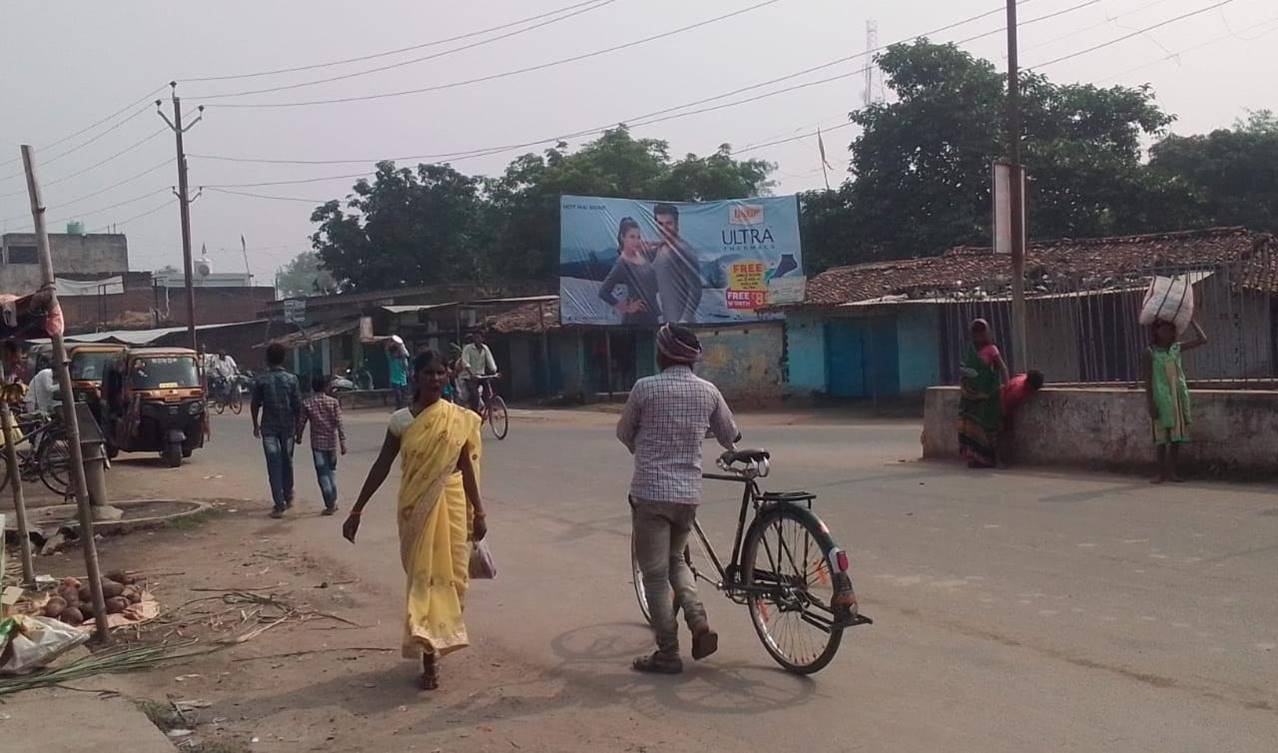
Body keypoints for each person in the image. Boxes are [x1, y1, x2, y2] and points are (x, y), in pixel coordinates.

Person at [343, 350, 488, 691]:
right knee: (422, 579)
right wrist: (357, 509)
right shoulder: (401, 421)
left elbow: (466, 467)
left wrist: (479, 512)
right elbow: (381, 465)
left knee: (452, 578)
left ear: (447, 377)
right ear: (416, 376)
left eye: (440, 373)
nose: (435, 379)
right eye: (428, 373)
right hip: (415, 508)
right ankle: (429, 658)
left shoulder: (458, 418)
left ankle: (438, 640)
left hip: (451, 502)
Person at [617, 324, 739, 675]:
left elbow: (625, 433)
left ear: (662, 354)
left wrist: (642, 447)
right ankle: (698, 622)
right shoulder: (708, 391)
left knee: (654, 575)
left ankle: (668, 653)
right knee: (677, 561)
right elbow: (730, 436)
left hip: (651, 494)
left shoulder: (645, 388)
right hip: (688, 495)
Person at [1144, 317, 1207, 483]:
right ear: (1156, 331)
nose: (1167, 333)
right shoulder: (1150, 352)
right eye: (1163, 330)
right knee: (1161, 438)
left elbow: (1202, 340)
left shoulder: (1176, 349)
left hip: (1177, 396)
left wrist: (1191, 320)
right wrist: (1150, 402)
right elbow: (1147, 380)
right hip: (1160, 398)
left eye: (1170, 330)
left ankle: (1172, 472)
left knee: (1176, 437)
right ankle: (1160, 473)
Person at [251, 343, 302, 519]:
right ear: (283, 358)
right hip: (288, 428)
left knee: (273, 464)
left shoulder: (261, 380)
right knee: (287, 461)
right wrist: (300, 430)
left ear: (267, 359)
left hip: (269, 429)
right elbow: (297, 406)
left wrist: (255, 425)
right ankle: (288, 495)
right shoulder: (292, 379)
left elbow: (254, 404)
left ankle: (279, 504)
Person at [957, 318, 1010, 469]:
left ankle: (996, 459)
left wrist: (1007, 387)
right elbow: (965, 371)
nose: (979, 337)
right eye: (976, 334)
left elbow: (1003, 369)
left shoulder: (992, 349)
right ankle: (978, 458)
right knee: (969, 427)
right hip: (971, 397)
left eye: (981, 334)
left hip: (989, 396)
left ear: (987, 334)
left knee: (991, 428)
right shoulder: (970, 351)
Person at [296, 374, 347, 516]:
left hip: (317, 444)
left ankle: (330, 503)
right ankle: (333, 499)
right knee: (331, 471)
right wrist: (342, 442)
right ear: (326, 387)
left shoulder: (307, 403)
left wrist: (298, 437)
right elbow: (339, 423)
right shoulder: (333, 402)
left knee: (322, 474)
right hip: (332, 443)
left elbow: (301, 423)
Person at [598, 217, 660, 326]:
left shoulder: (644, 254)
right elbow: (603, 292)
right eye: (632, 237)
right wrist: (627, 308)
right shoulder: (622, 264)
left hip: (652, 316)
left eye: (638, 237)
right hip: (636, 320)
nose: (636, 241)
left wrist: (648, 242)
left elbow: (664, 246)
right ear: (623, 237)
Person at [651, 203, 703, 324]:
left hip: (682, 324)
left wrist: (684, 320)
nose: (664, 228)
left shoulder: (683, 250)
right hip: (667, 321)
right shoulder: (661, 249)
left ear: (677, 224)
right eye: (660, 224)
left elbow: (695, 290)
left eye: (669, 223)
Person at [459, 331, 498, 413]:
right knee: (475, 395)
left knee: (488, 391)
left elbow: (490, 360)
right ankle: (475, 412)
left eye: (479, 337)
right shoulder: (468, 348)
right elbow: (465, 362)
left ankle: (488, 406)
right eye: (475, 337)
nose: (477, 339)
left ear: (483, 339)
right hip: (469, 376)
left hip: (481, 375)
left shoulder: (485, 348)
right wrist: (471, 374)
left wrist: (494, 371)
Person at [387, 337, 410, 410]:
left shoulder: (402, 359)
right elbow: (387, 349)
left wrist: (401, 345)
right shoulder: (392, 359)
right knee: (398, 394)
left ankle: (401, 407)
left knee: (402, 395)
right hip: (395, 379)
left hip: (402, 379)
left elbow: (406, 354)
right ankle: (399, 407)